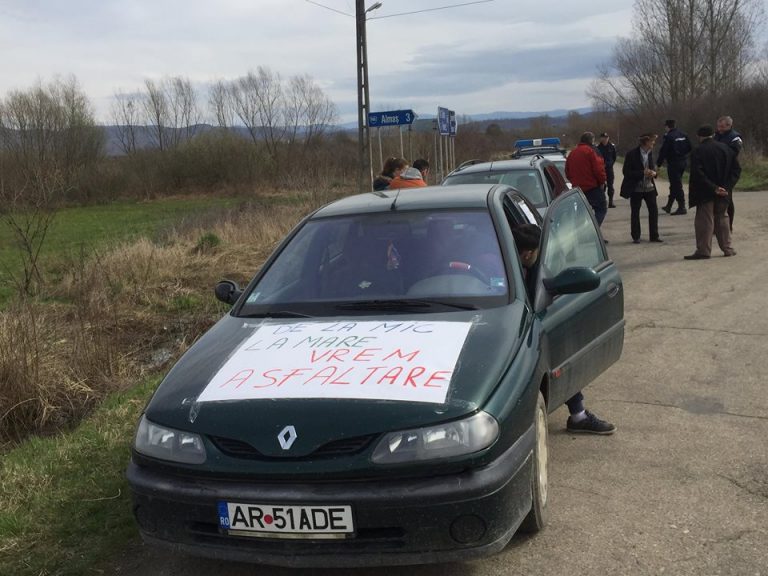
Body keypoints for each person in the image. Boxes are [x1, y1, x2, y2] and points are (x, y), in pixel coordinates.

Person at [511, 223, 616, 435]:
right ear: (527, 253)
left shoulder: (527, 267)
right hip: (514, 328)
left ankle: (578, 415)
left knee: (560, 356)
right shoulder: (507, 269)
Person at [684, 125, 740, 260]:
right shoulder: (726, 149)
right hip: (724, 192)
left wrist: (713, 188)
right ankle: (727, 248)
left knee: (705, 221)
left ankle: (704, 250)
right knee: (723, 219)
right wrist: (726, 187)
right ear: (713, 135)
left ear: (699, 136)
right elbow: (736, 170)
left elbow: (698, 174)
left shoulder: (698, 151)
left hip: (705, 193)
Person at [620, 133, 663, 244]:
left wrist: (653, 173)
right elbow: (626, 172)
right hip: (636, 189)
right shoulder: (631, 154)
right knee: (635, 212)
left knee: (654, 211)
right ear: (646, 142)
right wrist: (642, 173)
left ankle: (654, 236)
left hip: (649, 187)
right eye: (652, 141)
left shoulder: (650, 153)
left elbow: (651, 167)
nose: (653, 143)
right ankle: (636, 236)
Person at [565, 132, 608, 226]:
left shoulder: (572, 153)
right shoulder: (591, 152)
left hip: (578, 189)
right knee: (601, 209)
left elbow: (567, 172)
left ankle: (580, 236)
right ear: (591, 141)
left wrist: (574, 181)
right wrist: (602, 181)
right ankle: (593, 232)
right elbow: (598, 169)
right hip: (592, 188)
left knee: (581, 213)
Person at [656, 119, 692, 215]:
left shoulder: (669, 137)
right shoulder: (683, 134)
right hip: (683, 162)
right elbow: (690, 147)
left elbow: (663, 151)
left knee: (676, 185)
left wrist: (658, 164)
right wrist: (683, 155)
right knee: (674, 184)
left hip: (673, 163)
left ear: (667, 126)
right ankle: (669, 205)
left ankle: (682, 206)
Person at [715, 116, 742, 231]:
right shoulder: (716, 136)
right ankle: (716, 226)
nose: (719, 128)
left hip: (729, 171)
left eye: (722, 126)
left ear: (729, 126)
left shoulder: (735, 137)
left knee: (727, 198)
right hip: (717, 171)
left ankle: (729, 226)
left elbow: (734, 152)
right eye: (718, 126)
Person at [596, 132, 617, 208]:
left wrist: (610, 164)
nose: (605, 139)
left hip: (609, 169)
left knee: (610, 186)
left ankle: (611, 202)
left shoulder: (612, 147)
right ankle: (603, 202)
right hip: (601, 169)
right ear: (601, 139)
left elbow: (614, 157)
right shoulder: (598, 148)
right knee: (602, 186)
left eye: (606, 137)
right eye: (603, 138)